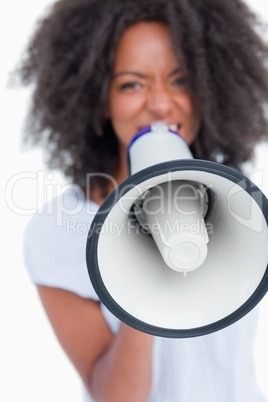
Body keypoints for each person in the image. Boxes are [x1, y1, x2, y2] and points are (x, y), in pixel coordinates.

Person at [18, 0, 268, 401]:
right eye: (132, 84)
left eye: (181, 80)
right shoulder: (57, 232)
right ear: (100, 98)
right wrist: (144, 289)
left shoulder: (238, 203)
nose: (160, 103)